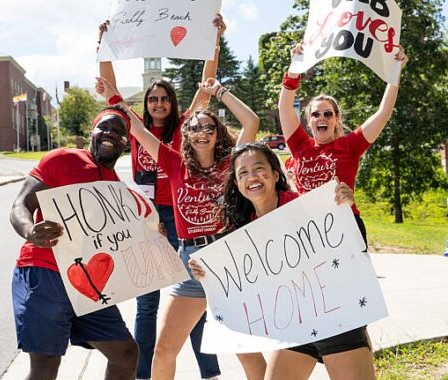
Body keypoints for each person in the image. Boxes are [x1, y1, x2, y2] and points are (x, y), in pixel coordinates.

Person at [96, 74, 259, 379]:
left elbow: (250, 122)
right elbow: (139, 129)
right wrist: (113, 98)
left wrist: (219, 91)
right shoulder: (173, 163)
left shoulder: (230, 163)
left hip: (227, 260)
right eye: (194, 129)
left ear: (217, 132)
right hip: (191, 262)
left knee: (244, 348)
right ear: (186, 134)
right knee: (165, 348)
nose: (200, 134)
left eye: (207, 128)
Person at [269, 43, 409, 379]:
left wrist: (395, 73)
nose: (321, 118)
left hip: (345, 230)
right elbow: (284, 105)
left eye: (328, 114)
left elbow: (383, 113)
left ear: (336, 120)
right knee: (309, 300)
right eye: (315, 114)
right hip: (306, 237)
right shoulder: (299, 146)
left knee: (344, 303)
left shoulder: (350, 145)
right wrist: (295, 65)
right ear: (309, 120)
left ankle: (355, 352)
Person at [97, 14, 226, 380]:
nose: (157, 104)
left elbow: (206, 84)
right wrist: (104, 46)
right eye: (152, 99)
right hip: (149, 222)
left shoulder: (186, 126)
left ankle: (210, 373)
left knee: (195, 297)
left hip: (183, 220)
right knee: (147, 302)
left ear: (172, 103)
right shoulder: (135, 130)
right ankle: (142, 373)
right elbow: (111, 89)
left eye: (163, 99)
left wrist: (213, 36)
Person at [188, 143, 356, 380]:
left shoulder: (305, 207)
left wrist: (345, 209)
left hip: (336, 318)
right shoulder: (242, 226)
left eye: (258, 168)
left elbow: (344, 246)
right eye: (243, 173)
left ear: (276, 174)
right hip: (296, 326)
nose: (252, 177)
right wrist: (208, 272)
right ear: (236, 183)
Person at [9, 106, 138, 380]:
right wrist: (30, 231)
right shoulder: (62, 159)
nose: (110, 134)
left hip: (89, 283)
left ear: (126, 143)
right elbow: (20, 205)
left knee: (126, 353)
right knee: (45, 365)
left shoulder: (118, 189)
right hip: (45, 271)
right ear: (92, 132)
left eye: (119, 131)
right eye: (104, 127)